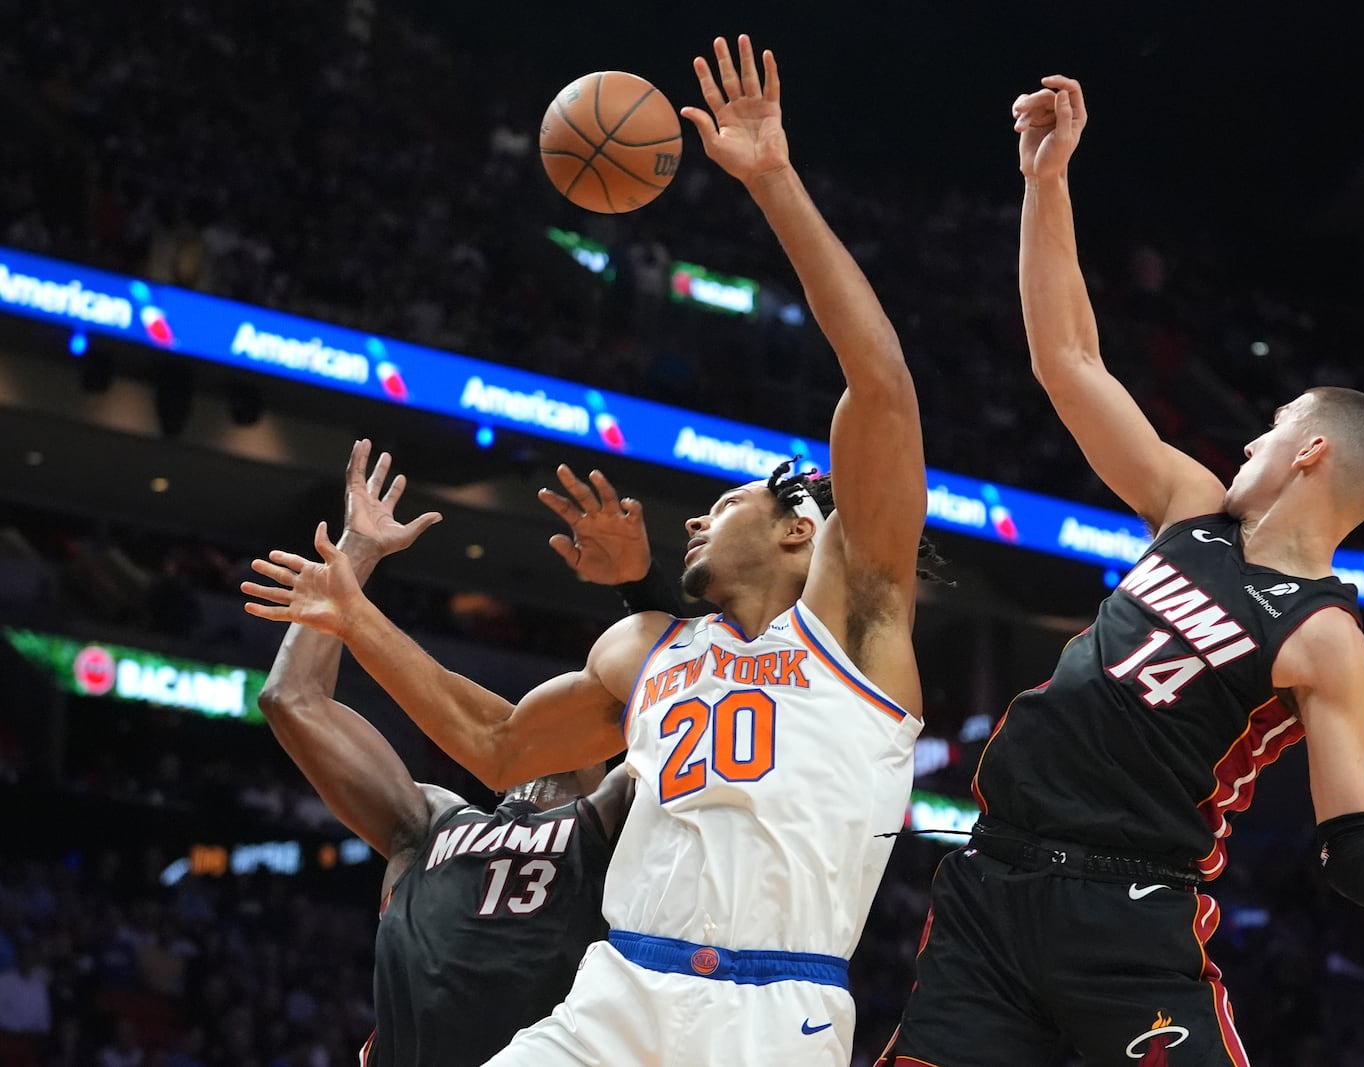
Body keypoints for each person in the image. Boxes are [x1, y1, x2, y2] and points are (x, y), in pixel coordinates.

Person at [242, 34, 929, 1067]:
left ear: (800, 530)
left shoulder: (861, 623)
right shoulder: (652, 647)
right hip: (618, 993)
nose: (697, 518)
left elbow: (877, 385)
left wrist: (773, 179)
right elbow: (498, 744)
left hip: (767, 1009)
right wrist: (355, 615)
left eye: (726, 501)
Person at [877, 77, 1364, 1067]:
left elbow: (1348, 840)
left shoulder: (1325, 640)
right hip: (990, 886)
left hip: (1128, 916)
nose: (1246, 440)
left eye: (1270, 429)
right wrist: (1047, 182)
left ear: (1312, 452)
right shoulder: (1188, 506)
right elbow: (1067, 357)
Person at [250, 442, 679, 1067]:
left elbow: (688, 695)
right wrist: (358, 551)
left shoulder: (614, 820)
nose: (545, 725)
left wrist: (641, 586)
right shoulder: (426, 821)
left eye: (564, 719)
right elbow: (293, 700)